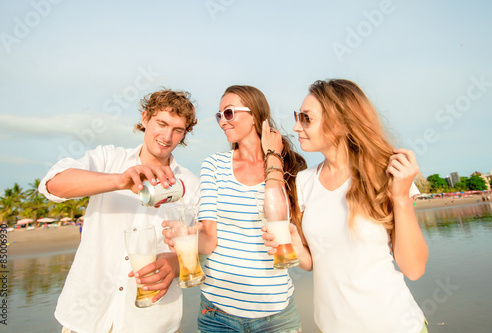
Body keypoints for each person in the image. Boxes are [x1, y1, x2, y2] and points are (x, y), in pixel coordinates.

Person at [265, 79, 429, 333]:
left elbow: (414, 269)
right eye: (298, 117)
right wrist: (296, 244)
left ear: (340, 124)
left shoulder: (385, 172)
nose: (296, 126)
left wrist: (401, 198)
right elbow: (314, 264)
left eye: (306, 118)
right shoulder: (305, 181)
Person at [39, 89, 200, 333]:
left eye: (177, 130)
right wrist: (119, 181)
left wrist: (176, 265)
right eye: (161, 123)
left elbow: (208, 240)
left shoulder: (191, 184)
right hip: (86, 318)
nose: (167, 136)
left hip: (153, 323)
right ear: (145, 118)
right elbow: (53, 184)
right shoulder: (108, 159)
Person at [164, 85, 306, 332]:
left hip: (276, 314)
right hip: (218, 312)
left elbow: (277, 222)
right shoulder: (214, 165)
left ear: (254, 115)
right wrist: (189, 236)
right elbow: (209, 240)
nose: (222, 122)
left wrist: (273, 156)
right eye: (219, 115)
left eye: (228, 113)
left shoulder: (291, 166)